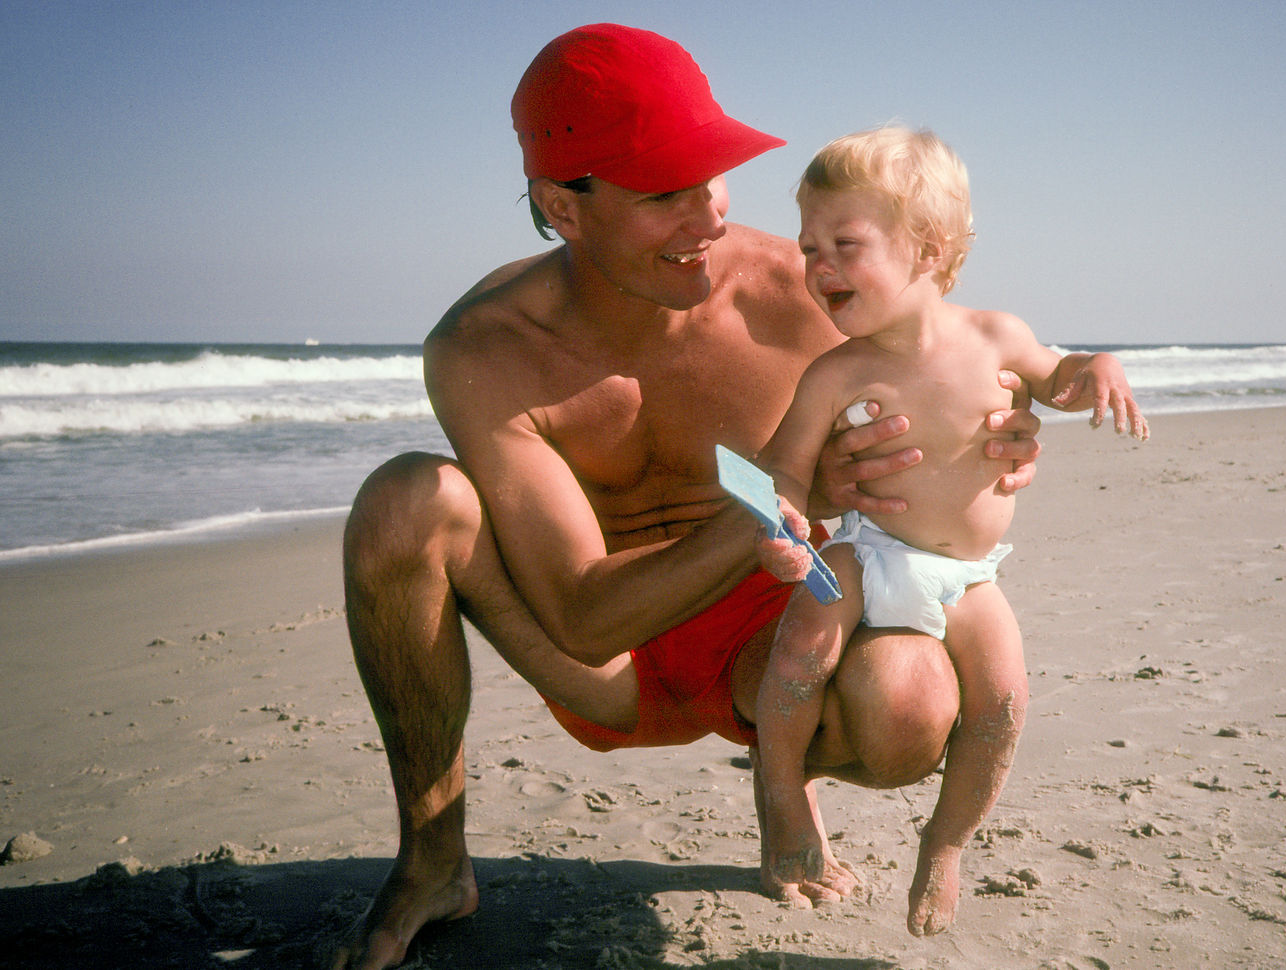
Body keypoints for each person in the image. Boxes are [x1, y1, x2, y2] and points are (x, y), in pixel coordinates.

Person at [329, 25, 1043, 969]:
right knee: (403, 501)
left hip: (771, 639)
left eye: (711, 179)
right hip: (605, 659)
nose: (707, 219)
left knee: (906, 712)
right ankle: (432, 860)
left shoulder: (801, 288)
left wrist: (1000, 437)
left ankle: (787, 782)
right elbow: (582, 618)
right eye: (665, 193)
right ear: (563, 206)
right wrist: (781, 502)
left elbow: (952, 363)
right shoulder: (485, 346)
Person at [748, 126, 1149, 937]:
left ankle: (946, 843)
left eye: (844, 243)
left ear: (927, 247)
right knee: (798, 653)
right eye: (808, 247)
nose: (818, 266)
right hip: (866, 553)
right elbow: (781, 468)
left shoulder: (995, 337)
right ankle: (784, 801)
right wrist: (785, 521)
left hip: (967, 576)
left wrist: (1095, 365)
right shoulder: (836, 372)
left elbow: (1060, 380)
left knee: (1004, 700)